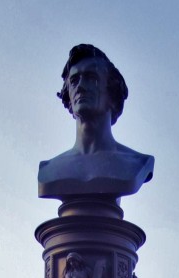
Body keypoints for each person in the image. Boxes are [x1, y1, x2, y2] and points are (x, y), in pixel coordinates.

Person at [38, 44, 154, 199]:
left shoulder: (137, 163)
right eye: (74, 81)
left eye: (91, 78)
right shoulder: (49, 169)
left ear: (112, 92)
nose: (80, 87)